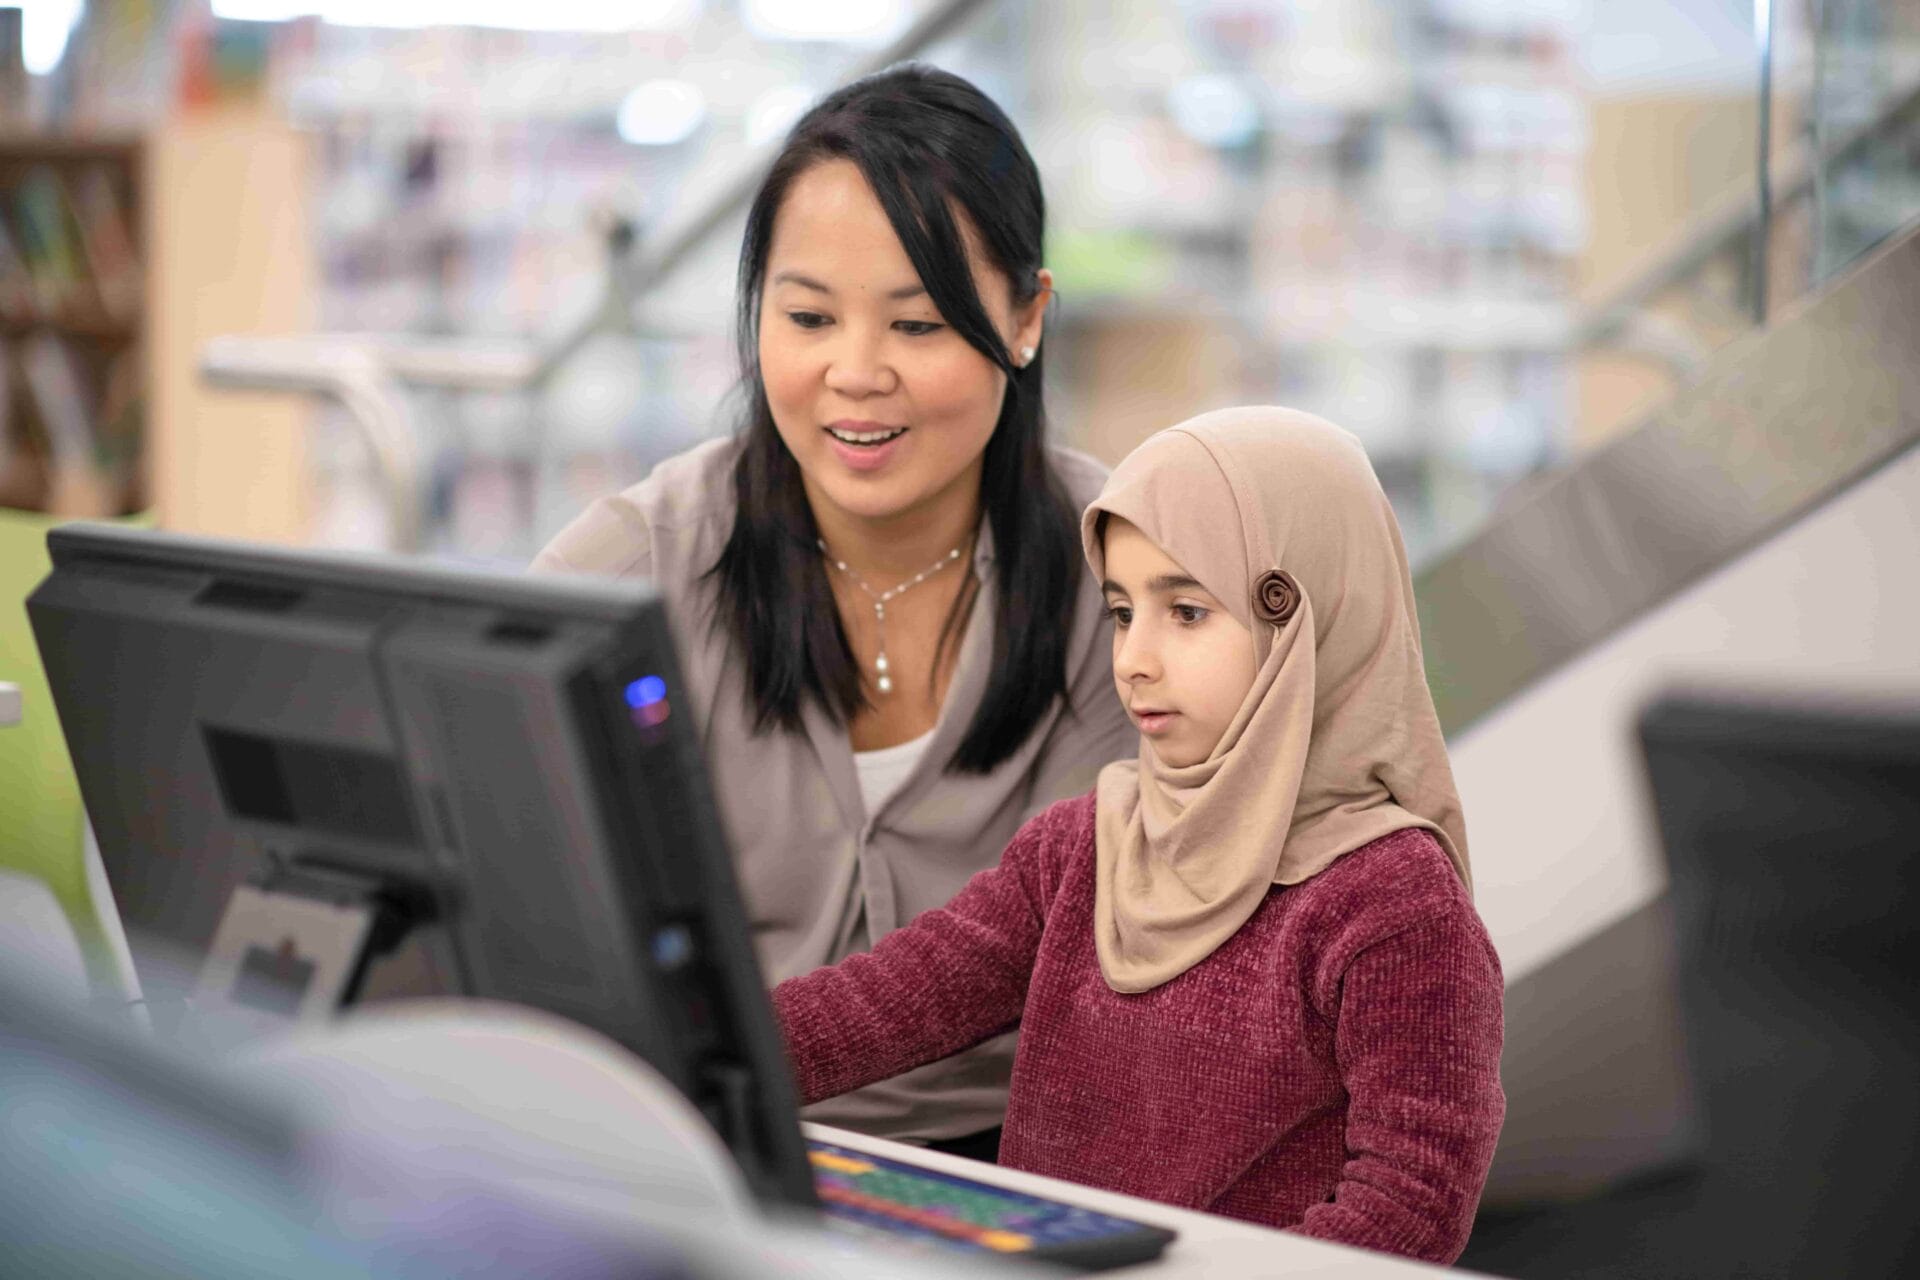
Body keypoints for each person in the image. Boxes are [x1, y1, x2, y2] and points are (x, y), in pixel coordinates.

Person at [533, 65, 1134, 1160]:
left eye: (916, 324)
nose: (855, 373)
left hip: (1032, 1163)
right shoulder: (646, 555)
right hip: (705, 1144)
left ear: (1026, 318)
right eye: (807, 315)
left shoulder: (1123, 565)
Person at [773, 407, 1506, 1263]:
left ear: (1303, 621)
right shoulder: (1084, 846)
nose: (1135, 659)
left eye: (1187, 612)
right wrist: (687, 1046)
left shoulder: (1392, 902)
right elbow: (893, 1000)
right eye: (1124, 612)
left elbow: (1410, 1206)